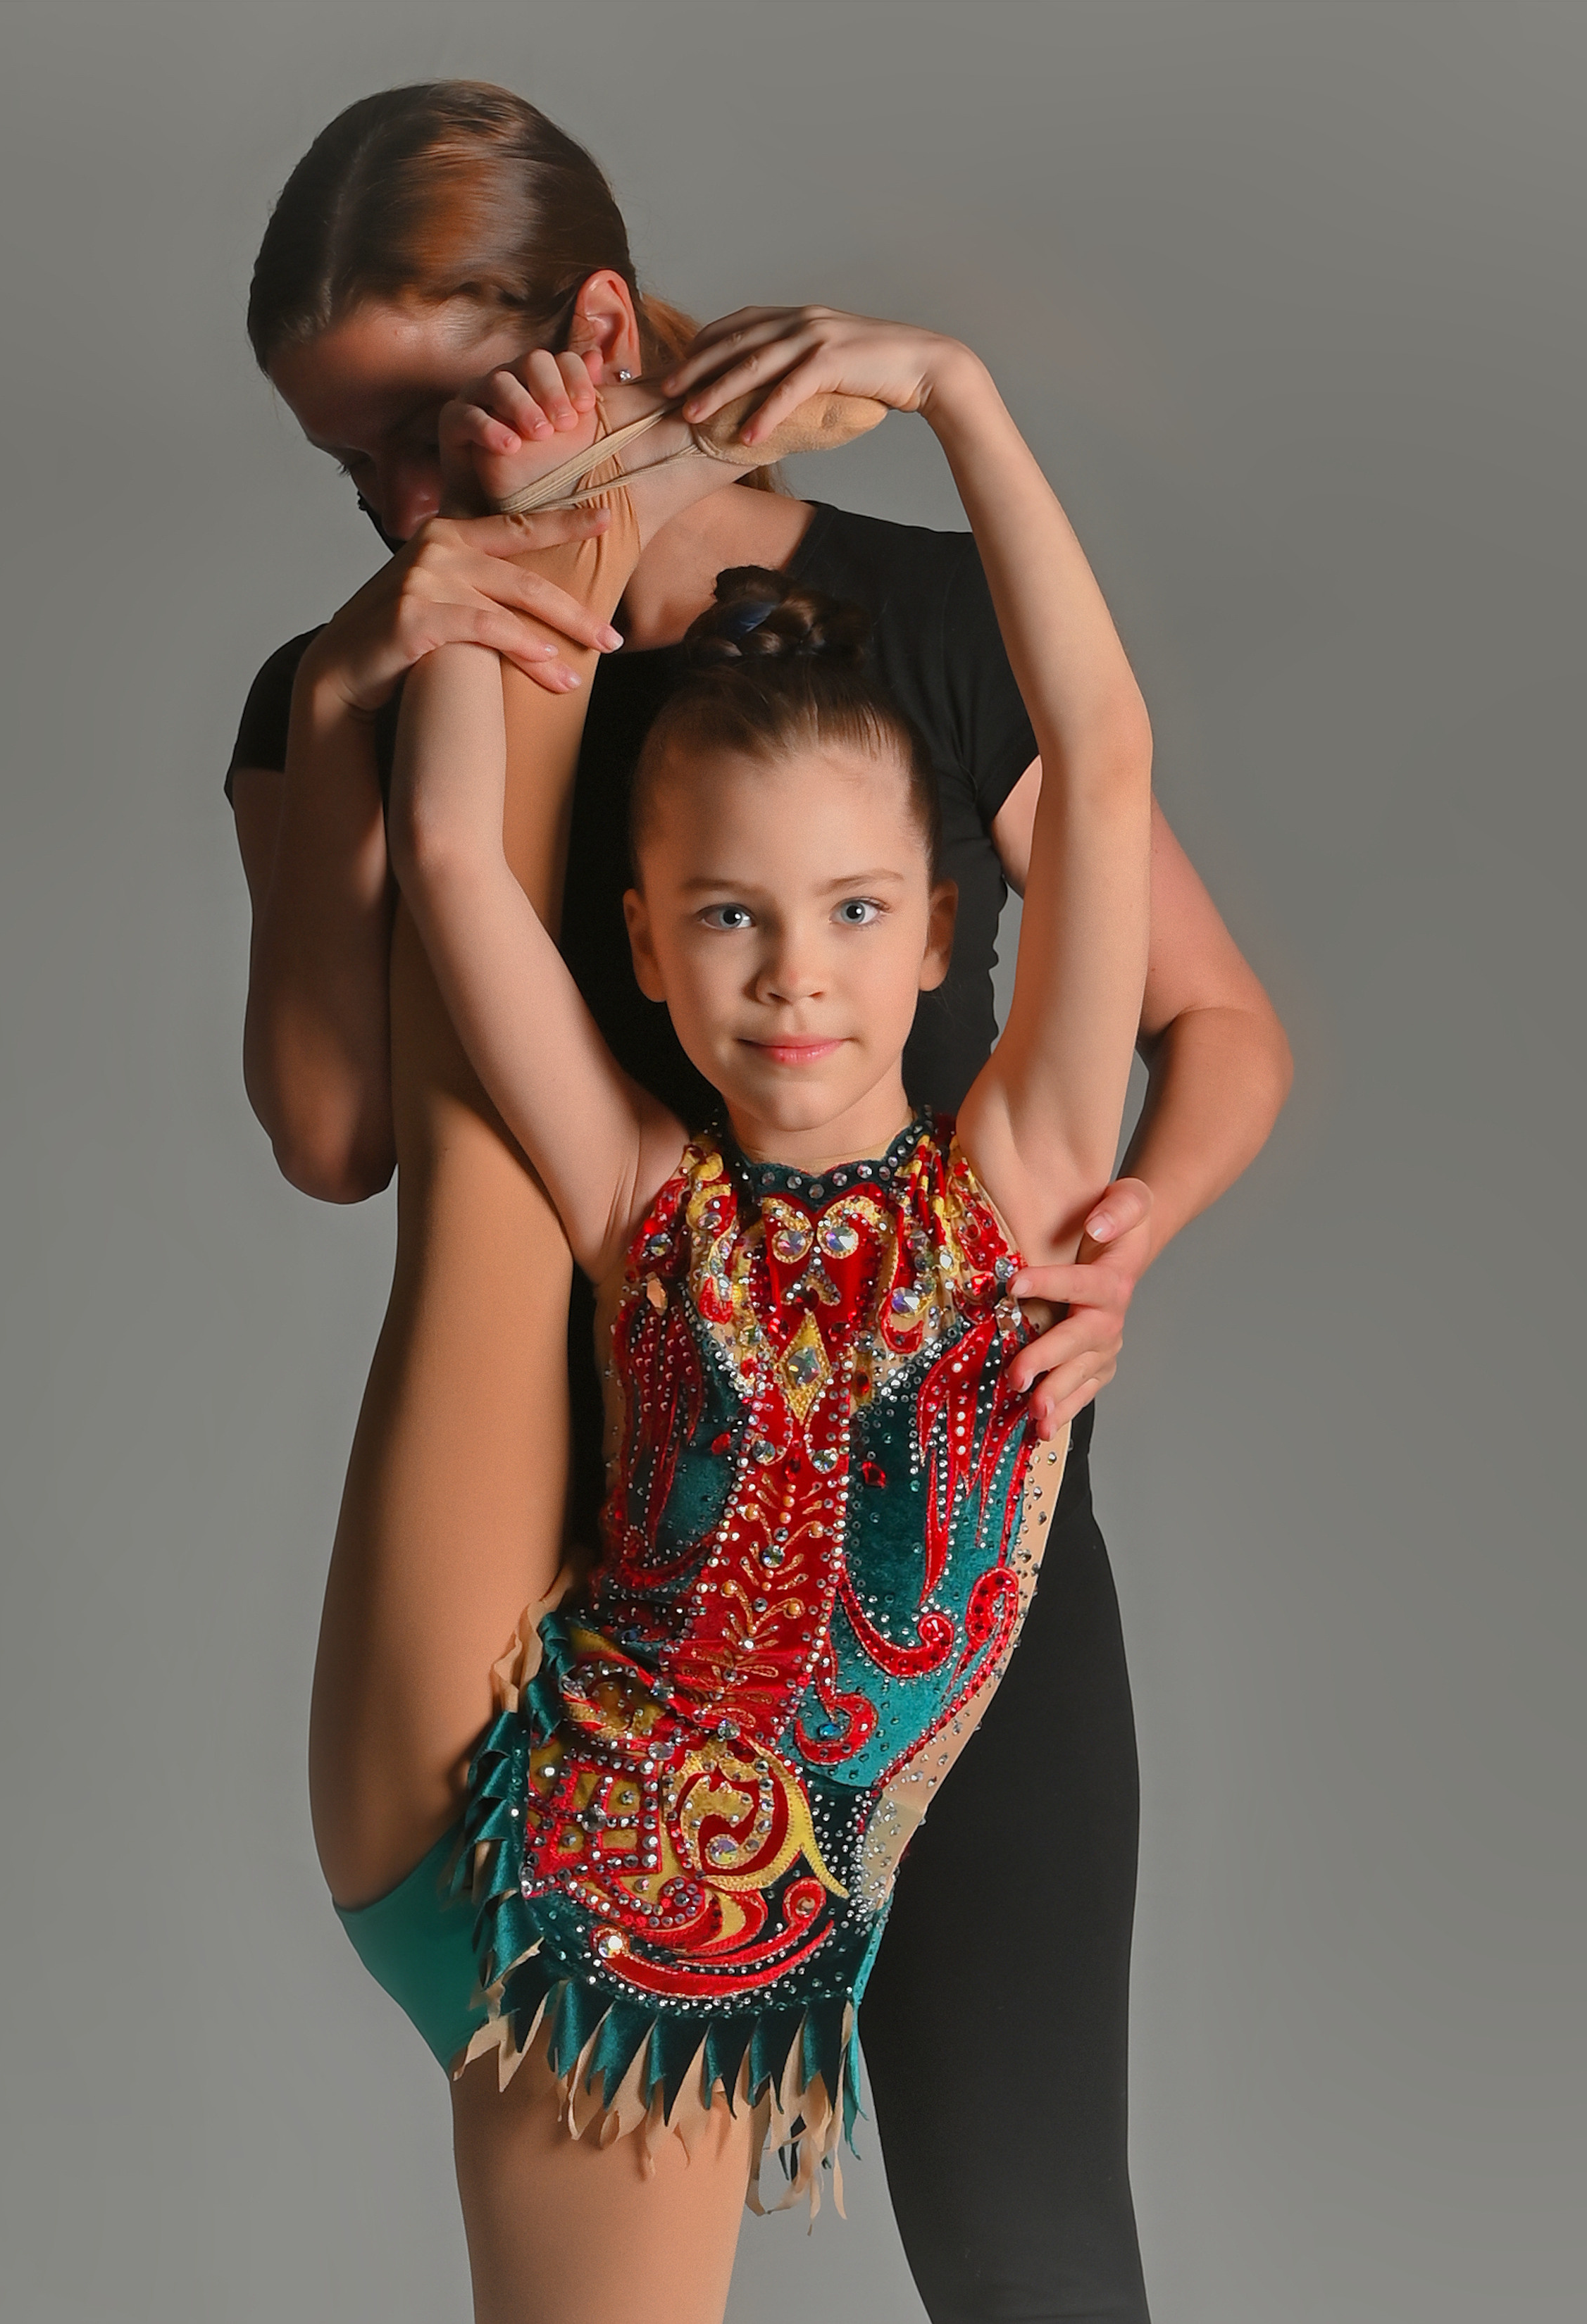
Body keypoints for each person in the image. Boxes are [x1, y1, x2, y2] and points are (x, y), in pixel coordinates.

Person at [228, 82, 1292, 2324]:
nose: (402, 498)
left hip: (957, 1533)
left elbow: (1188, 958)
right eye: (357, 470)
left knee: (1035, 2255)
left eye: (433, 428)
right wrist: (381, 662)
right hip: (587, 1588)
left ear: (594, 329)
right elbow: (348, 1117)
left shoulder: (913, 641)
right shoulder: (386, 693)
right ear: (641, 932)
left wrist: (1116, 1240)